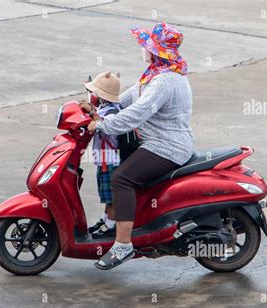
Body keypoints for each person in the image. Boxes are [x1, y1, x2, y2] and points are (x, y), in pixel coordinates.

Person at [80, 22, 194, 270]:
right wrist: (96, 108)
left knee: (122, 178)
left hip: (168, 147)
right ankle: (112, 222)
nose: (143, 49)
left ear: (157, 51)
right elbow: (122, 102)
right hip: (155, 142)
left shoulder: (164, 81)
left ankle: (123, 245)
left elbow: (135, 115)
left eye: (147, 45)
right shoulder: (154, 74)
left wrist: (101, 126)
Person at [85, 71, 122, 239]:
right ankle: (105, 219)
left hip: (111, 161)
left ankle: (111, 226)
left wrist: (92, 113)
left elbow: (102, 124)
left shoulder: (112, 113)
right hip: (105, 160)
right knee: (106, 196)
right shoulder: (106, 108)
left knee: (112, 197)